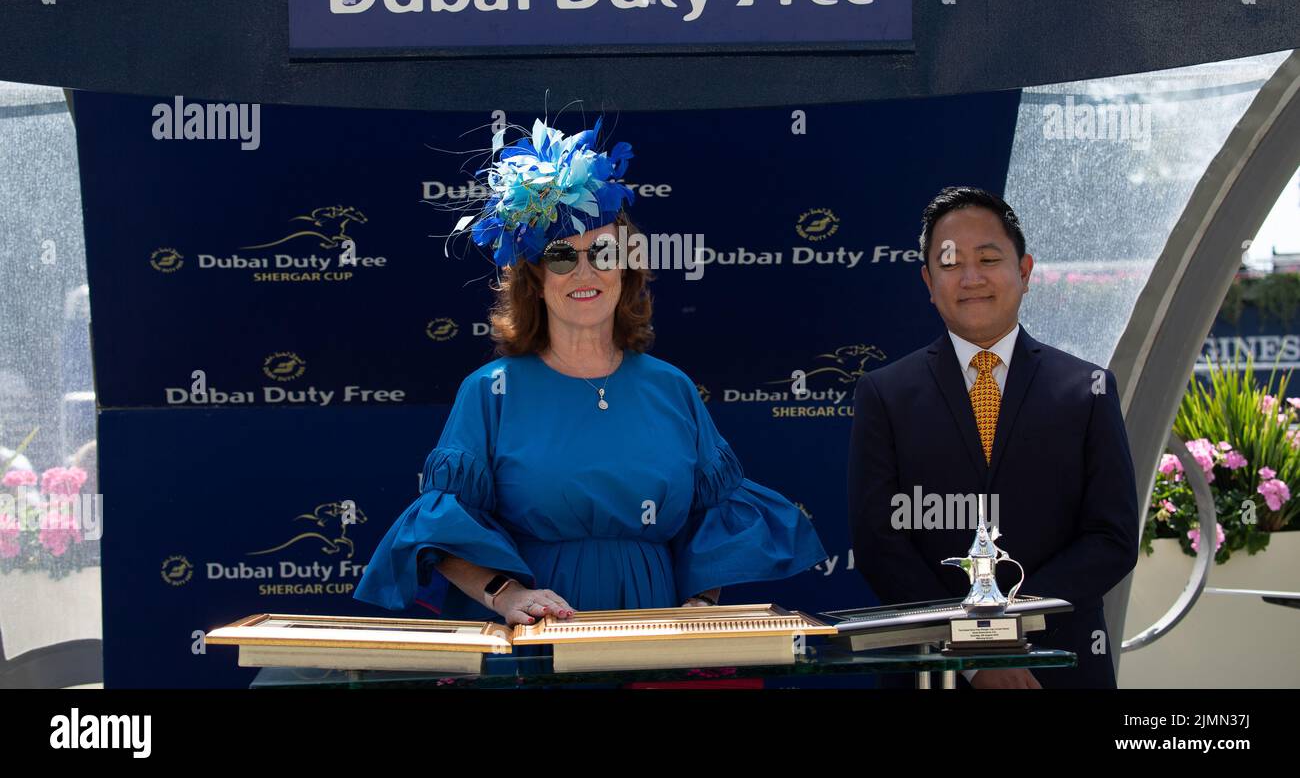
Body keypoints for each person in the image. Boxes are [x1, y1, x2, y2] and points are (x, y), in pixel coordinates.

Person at [355, 113, 826, 626]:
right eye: (562, 256)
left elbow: (713, 522)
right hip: (539, 634)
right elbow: (443, 527)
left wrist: (700, 607)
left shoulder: (672, 388)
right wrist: (504, 594)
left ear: (625, 268)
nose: (585, 272)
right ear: (534, 279)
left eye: (603, 252)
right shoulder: (490, 393)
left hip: (653, 637)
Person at [847, 187, 1139, 688]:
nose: (971, 277)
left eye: (988, 258)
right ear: (928, 282)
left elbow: (1111, 538)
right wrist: (974, 652)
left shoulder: (1087, 390)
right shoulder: (885, 394)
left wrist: (1004, 629)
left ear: (1024, 272)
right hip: (930, 669)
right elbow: (879, 542)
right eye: (950, 262)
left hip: (1058, 664)